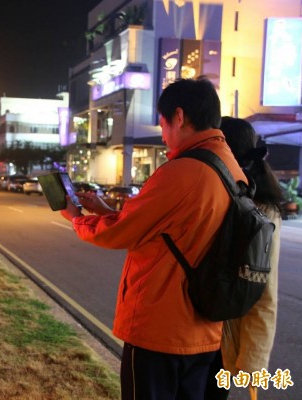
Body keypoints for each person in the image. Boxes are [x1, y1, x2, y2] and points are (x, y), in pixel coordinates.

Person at [60, 78, 248, 399]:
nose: (163, 134)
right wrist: (105, 207)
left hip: (160, 332)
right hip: (206, 329)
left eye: (162, 123)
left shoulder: (183, 171)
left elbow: (122, 231)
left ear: (178, 116)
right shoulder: (231, 168)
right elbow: (168, 227)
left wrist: (77, 218)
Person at [205, 117, 283, 400]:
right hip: (186, 332)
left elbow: (264, 291)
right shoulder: (208, 191)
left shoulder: (260, 211)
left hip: (217, 341)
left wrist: (252, 362)